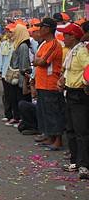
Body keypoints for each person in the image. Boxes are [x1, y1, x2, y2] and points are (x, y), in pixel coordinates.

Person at [58, 23, 89, 178]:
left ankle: (84, 164)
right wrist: (62, 80)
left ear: (73, 36)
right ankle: (75, 161)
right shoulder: (72, 52)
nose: (64, 38)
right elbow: (68, 71)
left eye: (66, 35)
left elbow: (88, 69)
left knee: (81, 130)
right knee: (71, 129)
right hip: (70, 93)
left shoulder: (82, 51)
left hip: (79, 94)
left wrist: (85, 83)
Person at [34, 18, 65, 151]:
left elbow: (42, 62)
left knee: (53, 113)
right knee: (44, 113)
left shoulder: (54, 44)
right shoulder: (44, 44)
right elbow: (37, 59)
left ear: (48, 29)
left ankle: (58, 140)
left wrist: (37, 61)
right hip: (42, 84)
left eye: (42, 27)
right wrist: (37, 60)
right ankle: (49, 137)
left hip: (50, 84)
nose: (40, 30)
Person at [0, 24, 15, 121]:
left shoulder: (17, 45)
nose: (8, 33)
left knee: (13, 95)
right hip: (4, 73)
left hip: (13, 74)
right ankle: (8, 115)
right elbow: (0, 58)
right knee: (6, 95)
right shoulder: (4, 44)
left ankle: (14, 115)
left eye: (10, 31)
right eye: (7, 31)